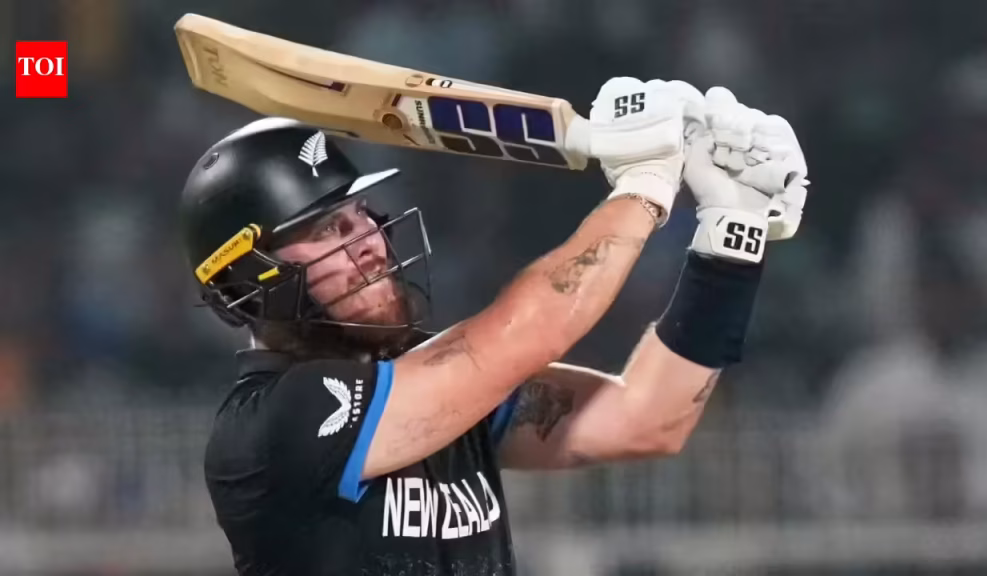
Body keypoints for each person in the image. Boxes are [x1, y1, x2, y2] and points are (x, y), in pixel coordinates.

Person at [178, 78, 808, 575]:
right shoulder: (270, 422)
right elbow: (525, 334)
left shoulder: (440, 389)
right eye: (325, 230)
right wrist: (645, 186)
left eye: (360, 214)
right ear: (244, 281)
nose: (367, 240)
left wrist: (731, 235)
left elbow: (648, 417)